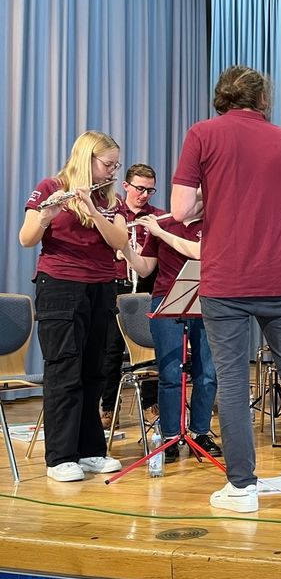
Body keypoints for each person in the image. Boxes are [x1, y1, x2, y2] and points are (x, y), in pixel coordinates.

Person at [170, 65, 281, 512]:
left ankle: (242, 487)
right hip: (275, 278)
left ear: (223, 97)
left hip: (224, 278)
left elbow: (178, 209)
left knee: (232, 379)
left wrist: (211, 196)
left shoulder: (201, 134)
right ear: (262, 100)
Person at [19, 130, 127, 482]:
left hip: (101, 286)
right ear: (87, 159)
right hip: (60, 286)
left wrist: (93, 211)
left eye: (115, 165)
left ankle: (91, 450)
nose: (113, 171)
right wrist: (47, 214)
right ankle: (61, 457)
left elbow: (120, 242)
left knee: (94, 370)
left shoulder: (111, 199)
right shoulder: (51, 186)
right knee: (64, 369)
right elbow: (26, 238)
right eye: (107, 164)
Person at [122, 211, 221, 463]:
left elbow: (201, 252)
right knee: (170, 373)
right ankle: (170, 437)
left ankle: (200, 433)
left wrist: (160, 233)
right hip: (166, 299)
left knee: (207, 373)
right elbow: (145, 269)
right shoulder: (163, 223)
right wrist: (124, 245)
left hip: (206, 299)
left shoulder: (214, 220)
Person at [101, 163, 165, 430]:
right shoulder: (112, 211)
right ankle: (107, 408)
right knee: (111, 349)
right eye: (140, 188)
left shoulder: (159, 217)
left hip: (147, 285)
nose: (144, 195)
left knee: (149, 346)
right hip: (116, 284)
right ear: (126, 186)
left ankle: (151, 404)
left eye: (150, 190)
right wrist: (117, 249)